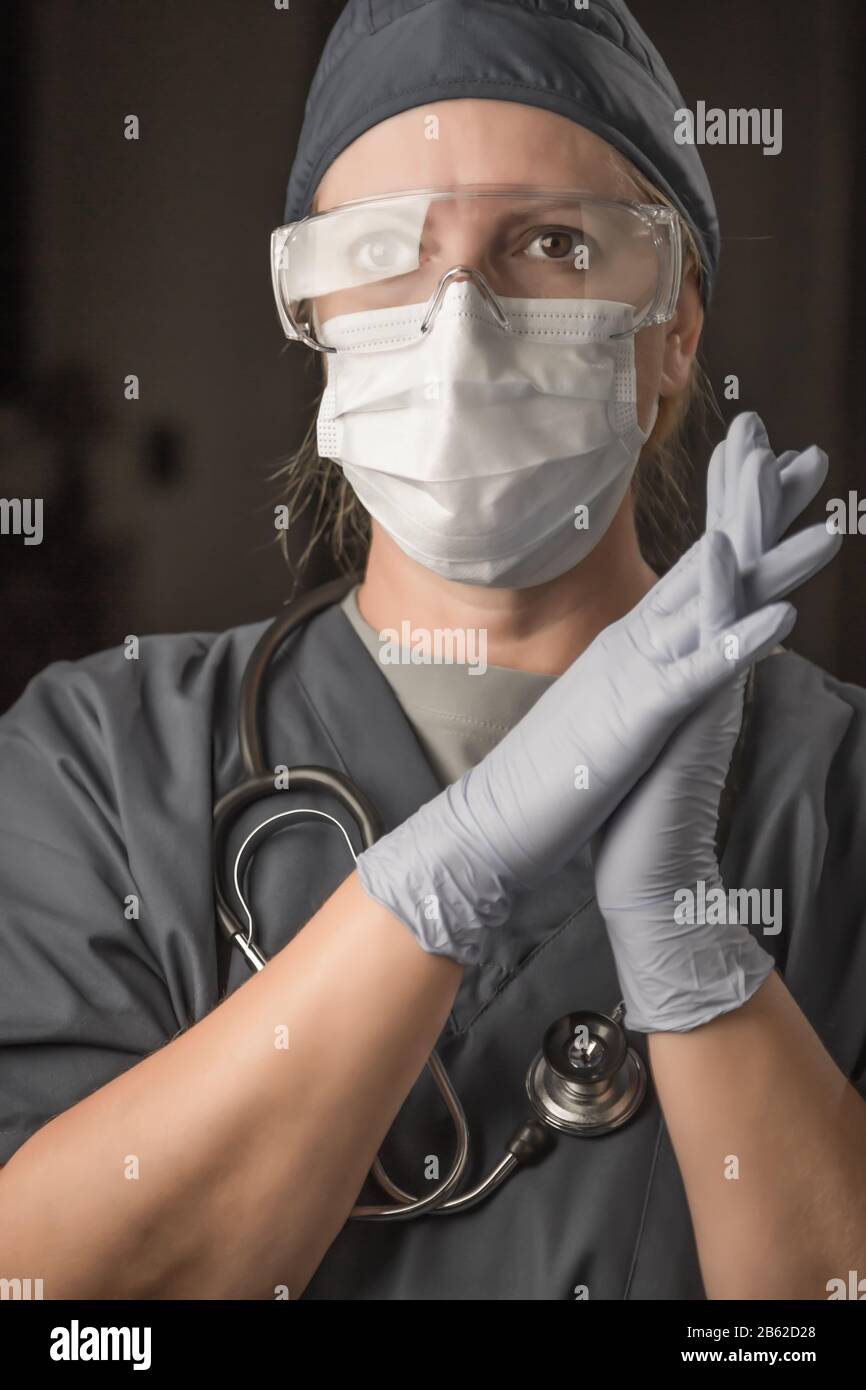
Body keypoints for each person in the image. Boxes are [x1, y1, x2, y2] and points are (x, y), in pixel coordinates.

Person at [1, 0, 865, 1302]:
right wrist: (442, 877)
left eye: (554, 242)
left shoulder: (839, 791)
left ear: (672, 327)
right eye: (386, 251)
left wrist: (691, 953)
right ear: (316, 310)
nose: (457, 323)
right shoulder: (93, 767)